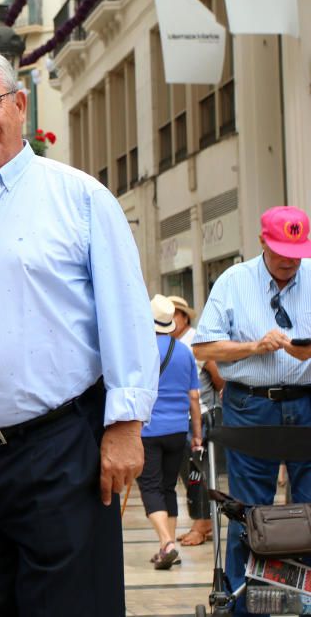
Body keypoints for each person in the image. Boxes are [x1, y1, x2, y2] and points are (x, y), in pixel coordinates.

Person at [0, 50, 158, 617]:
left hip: (63, 449)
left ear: (19, 104)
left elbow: (127, 317)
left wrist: (125, 427)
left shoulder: (82, 199)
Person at [192, 205, 311, 617]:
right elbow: (203, 348)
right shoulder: (233, 281)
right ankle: (242, 605)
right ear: (262, 241)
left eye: (296, 252)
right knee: (248, 510)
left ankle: (306, 601)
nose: (288, 261)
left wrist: (301, 349)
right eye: (280, 250)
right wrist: (253, 347)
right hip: (250, 405)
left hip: (306, 401)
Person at [139, 295, 203, 570]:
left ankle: (167, 543)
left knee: (151, 487)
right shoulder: (184, 351)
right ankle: (166, 547)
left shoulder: (141, 349)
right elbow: (194, 397)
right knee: (168, 487)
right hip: (178, 429)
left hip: (149, 429)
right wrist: (197, 434)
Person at [168, 294, 223, 546]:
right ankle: (200, 521)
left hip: (200, 415)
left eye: (172, 314)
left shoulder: (195, 340)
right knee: (189, 473)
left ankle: (202, 524)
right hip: (183, 418)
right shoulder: (173, 342)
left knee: (197, 472)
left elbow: (216, 372)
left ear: (183, 316)